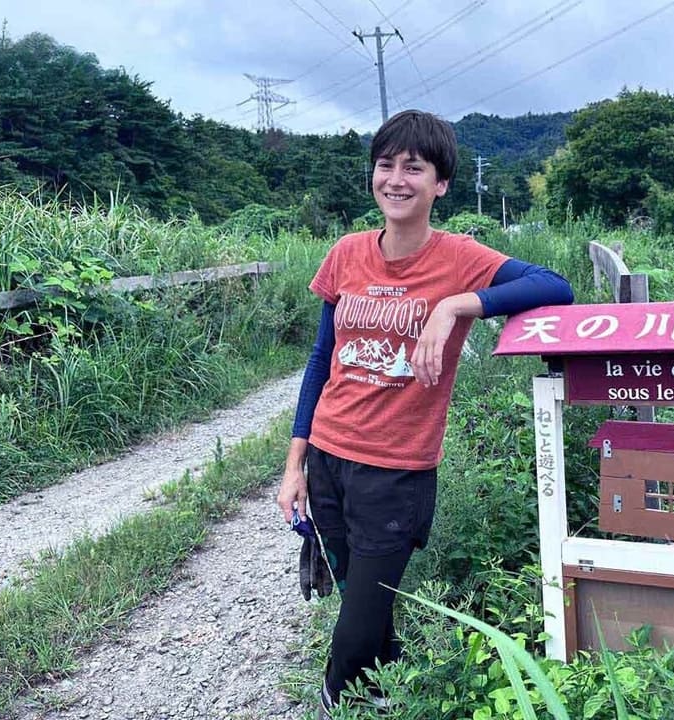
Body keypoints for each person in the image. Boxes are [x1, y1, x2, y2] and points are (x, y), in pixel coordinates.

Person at [276, 109, 573, 718]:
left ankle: (343, 700)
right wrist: (295, 462)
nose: (396, 179)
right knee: (363, 606)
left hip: (397, 470)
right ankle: (390, 695)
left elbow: (554, 285)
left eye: (414, 167)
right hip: (330, 457)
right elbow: (319, 360)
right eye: (385, 165)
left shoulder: (459, 256)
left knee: (355, 632)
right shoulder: (346, 253)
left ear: (440, 183)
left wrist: (459, 305)